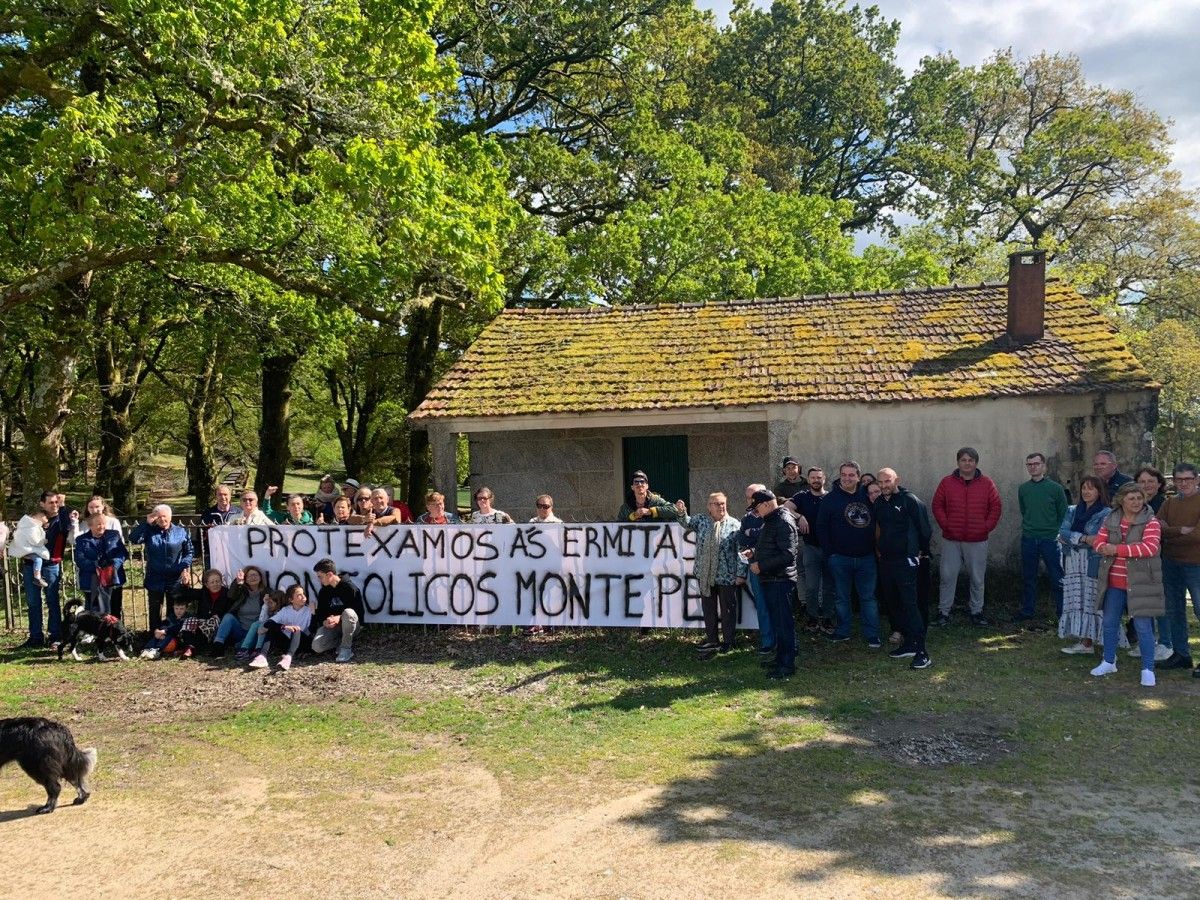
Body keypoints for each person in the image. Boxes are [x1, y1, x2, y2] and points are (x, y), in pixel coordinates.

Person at [1090, 483, 1164, 687]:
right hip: (1114, 581)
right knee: (1109, 622)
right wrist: (1102, 546)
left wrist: (1115, 549)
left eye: (1139, 498)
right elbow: (1098, 541)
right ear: (1121, 500)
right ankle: (1108, 660)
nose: (1136, 502)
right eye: (1131, 498)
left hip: (1141, 582)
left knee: (1143, 626)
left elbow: (1149, 548)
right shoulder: (1111, 518)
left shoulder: (1151, 521)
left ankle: (1148, 669)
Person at [932, 447, 1002, 627]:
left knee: (977, 578)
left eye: (970, 460)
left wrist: (985, 528)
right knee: (947, 576)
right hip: (951, 539)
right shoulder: (947, 482)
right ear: (958, 462)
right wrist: (946, 525)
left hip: (977, 540)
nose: (967, 463)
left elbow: (995, 508)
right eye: (963, 460)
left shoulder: (987, 483)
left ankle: (976, 612)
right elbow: (937, 506)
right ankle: (943, 612)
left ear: (976, 463)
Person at [816, 461, 881, 649]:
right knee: (841, 598)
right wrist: (831, 553)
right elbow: (821, 527)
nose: (847, 478)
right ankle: (843, 631)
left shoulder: (867, 497)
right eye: (844, 474)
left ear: (858, 477)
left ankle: (872, 634)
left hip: (866, 558)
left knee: (868, 598)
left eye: (851, 475)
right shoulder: (830, 499)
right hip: (839, 558)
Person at [874, 468, 933, 670]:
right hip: (887, 562)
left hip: (906, 561)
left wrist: (921, 552)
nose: (883, 485)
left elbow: (925, 529)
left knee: (911, 604)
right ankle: (909, 644)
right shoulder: (880, 503)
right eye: (880, 482)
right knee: (894, 603)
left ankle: (922, 651)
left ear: (896, 480)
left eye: (887, 481)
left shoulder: (910, 500)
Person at [677, 493, 742, 654]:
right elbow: (686, 523)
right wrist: (681, 512)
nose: (721, 506)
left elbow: (741, 552)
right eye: (716, 504)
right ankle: (712, 639)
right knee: (709, 608)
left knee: (728, 610)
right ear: (709, 506)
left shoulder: (735, 525)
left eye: (723, 503)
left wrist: (741, 573)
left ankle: (729, 641)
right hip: (705, 574)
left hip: (727, 575)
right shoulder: (702, 521)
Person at [748, 490, 798, 680]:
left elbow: (788, 554)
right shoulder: (772, 520)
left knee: (784, 624)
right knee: (779, 623)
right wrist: (754, 553)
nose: (755, 512)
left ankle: (787, 664)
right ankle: (781, 659)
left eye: (757, 507)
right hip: (773, 579)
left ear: (767, 504)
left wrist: (761, 565)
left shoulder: (782, 521)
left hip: (780, 580)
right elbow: (772, 547)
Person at [1057, 476, 1109, 654]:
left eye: (1091, 488)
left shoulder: (1106, 513)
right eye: (1084, 488)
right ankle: (1083, 641)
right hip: (1072, 560)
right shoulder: (1072, 510)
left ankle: (1094, 640)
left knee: (1091, 599)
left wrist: (1075, 538)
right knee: (1076, 599)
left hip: (1092, 561)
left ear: (1099, 491)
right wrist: (1084, 538)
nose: (1086, 492)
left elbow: (1099, 538)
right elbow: (1062, 532)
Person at [1156, 462, 1200, 675]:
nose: (1184, 483)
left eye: (1188, 479)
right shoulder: (1169, 503)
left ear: (1197, 479)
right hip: (1171, 562)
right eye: (1179, 479)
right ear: (1173, 481)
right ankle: (1181, 654)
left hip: (1196, 564)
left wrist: (1170, 532)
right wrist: (1181, 530)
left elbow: (1197, 535)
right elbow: (1156, 529)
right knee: (1174, 610)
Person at [19, 490, 75, 648]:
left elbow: (66, 528)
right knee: (33, 602)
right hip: (31, 565)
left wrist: (63, 507)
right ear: (42, 504)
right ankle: (35, 637)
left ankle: (55, 636)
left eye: (57, 502)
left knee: (52, 601)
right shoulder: (35, 519)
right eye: (51, 502)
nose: (55, 505)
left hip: (51, 565)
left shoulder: (62, 517)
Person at [1017, 452, 1068, 622]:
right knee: (1029, 577)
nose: (1033, 467)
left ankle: (1062, 614)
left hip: (1050, 540)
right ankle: (1027, 611)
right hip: (1029, 538)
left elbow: (1063, 514)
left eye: (1036, 464)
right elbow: (1025, 510)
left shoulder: (1056, 489)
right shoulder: (1023, 489)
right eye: (1029, 464)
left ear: (1044, 466)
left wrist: (1056, 533)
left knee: (1057, 577)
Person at [128, 504, 194, 632]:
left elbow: (189, 552)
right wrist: (146, 523)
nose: (162, 519)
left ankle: (170, 637)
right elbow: (133, 538)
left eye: (164, 516)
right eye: (158, 517)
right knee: (154, 610)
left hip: (174, 577)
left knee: (173, 609)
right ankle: (154, 636)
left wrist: (182, 566)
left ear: (170, 517)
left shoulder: (180, 532)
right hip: (155, 576)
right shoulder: (149, 531)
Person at [788, 467, 835, 635]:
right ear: (808, 480)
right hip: (810, 547)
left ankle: (828, 618)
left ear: (824, 479)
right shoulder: (802, 497)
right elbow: (785, 508)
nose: (816, 480)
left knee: (829, 586)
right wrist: (799, 516)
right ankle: (813, 617)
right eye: (813, 477)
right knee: (812, 586)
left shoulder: (831, 497)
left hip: (830, 549)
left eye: (819, 477)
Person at [736, 483, 773, 659]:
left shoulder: (774, 515)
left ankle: (783, 641)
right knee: (762, 606)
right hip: (755, 567)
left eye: (755, 496)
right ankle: (767, 642)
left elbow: (770, 538)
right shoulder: (747, 518)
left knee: (778, 605)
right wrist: (754, 533)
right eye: (749, 497)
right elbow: (741, 537)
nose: (751, 500)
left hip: (775, 567)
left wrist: (754, 533)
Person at [73, 513, 129, 618]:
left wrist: (114, 564)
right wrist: (97, 566)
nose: (102, 526)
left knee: (115, 609)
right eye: (98, 524)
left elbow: (123, 553)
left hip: (113, 576)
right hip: (93, 578)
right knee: (95, 612)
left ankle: (114, 632)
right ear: (90, 526)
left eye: (104, 524)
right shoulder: (81, 540)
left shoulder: (114, 535)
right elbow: (80, 560)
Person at [311, 558, 365, 663]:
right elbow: (321, 613)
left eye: (320, 577)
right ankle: (341, 642)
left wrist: (339, 617)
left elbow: (358, 615)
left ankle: (346, 649)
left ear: (330, 574)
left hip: (351, 626)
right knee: (317, 646)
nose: (319, 580)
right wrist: (325, 621)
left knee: (348, 613)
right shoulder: (323, 591)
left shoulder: (350, 588)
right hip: (334, 628)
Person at [249, 584, 314, 671]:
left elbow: (312, 629)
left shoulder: (308, 610)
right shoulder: (285, 610)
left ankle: (288, 658)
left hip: (302, 643)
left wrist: (313, 614)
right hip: (286, 643)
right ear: (291, 600)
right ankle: (262, 656)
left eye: (303, 594)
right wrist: (284, 627)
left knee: (296, 629)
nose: (303, 597)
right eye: (299, 595)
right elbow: (268, 623)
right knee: (272, 627)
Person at [211, 566, 267, 657]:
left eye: (255, 575)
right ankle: (218, 645)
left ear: (261, 577)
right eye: (249, 576)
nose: (253, 577)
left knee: (239, 646)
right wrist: (238, 583)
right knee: (228, 617)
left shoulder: (266, 592)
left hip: (256, 632)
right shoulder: (242, 591)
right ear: (246, 579)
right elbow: (231, 595)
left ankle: (241, 645)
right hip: (240, 629)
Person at [139, 595, 190, 660]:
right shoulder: (172, 616)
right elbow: (164, 624)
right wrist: (160, 630)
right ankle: (147, 649)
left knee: (168, 635)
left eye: (181, 609)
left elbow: (177, 628)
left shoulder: (186, 618)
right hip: (167, 635)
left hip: (179, 640)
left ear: (186, 609)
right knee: (158, 635)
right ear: (173, 608)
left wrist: (165, 631)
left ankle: (157, 650)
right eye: (176, 608)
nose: (178, 611)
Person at [9, 509, 49, 589]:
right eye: (46, 517)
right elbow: (35, 540)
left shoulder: (29, 525)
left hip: (24, 547)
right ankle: (37, 578)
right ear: (41, 516)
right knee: (38, 560)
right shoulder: (32, 527)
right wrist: (43, 541)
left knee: (38, 558)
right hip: (26, 549)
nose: (47, 520)